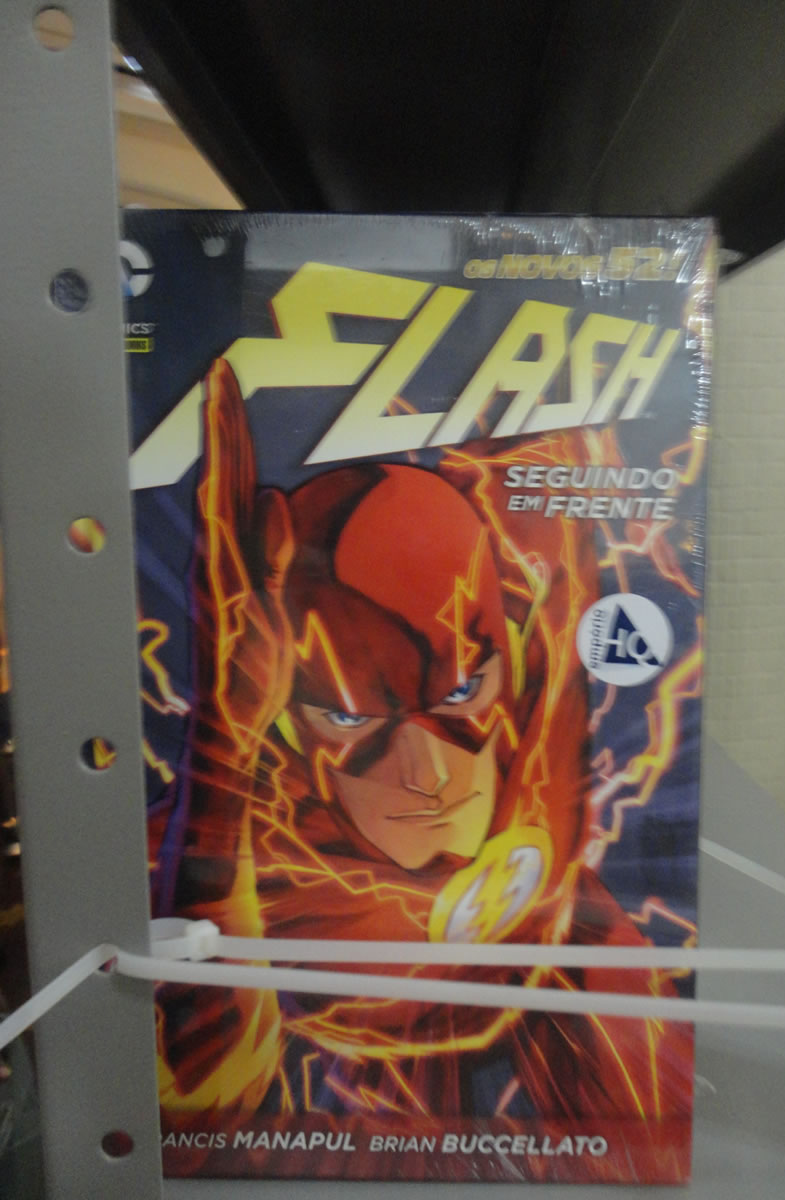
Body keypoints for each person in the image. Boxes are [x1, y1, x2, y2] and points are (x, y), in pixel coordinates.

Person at [151, 360, 692, 1178]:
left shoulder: (537, 722)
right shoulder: (235, 837)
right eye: (351, 717)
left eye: (463, 691)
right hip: (341, 1094)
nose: (428, 774)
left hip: (542, 972)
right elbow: (193, 1121)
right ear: (283, 718)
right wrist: (224, 745)